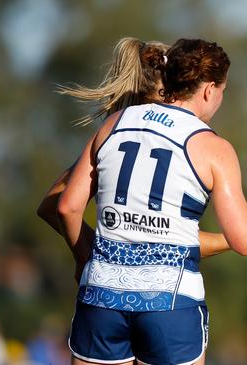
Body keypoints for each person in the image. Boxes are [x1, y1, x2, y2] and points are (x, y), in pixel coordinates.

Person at [56, 38, 247, 365]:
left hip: (101, 297)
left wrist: (87, 262)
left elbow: (66, 206)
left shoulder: (116, 122)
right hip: (170, 303)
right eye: (222, 91)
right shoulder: (211, 147)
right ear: (209, 90)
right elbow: (243, 240)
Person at [37, 37, 231, 284]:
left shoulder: (117, 134)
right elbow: (167, 235)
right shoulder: (175, 140)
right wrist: (234, 237)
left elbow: (55, 205)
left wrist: (91, 253)